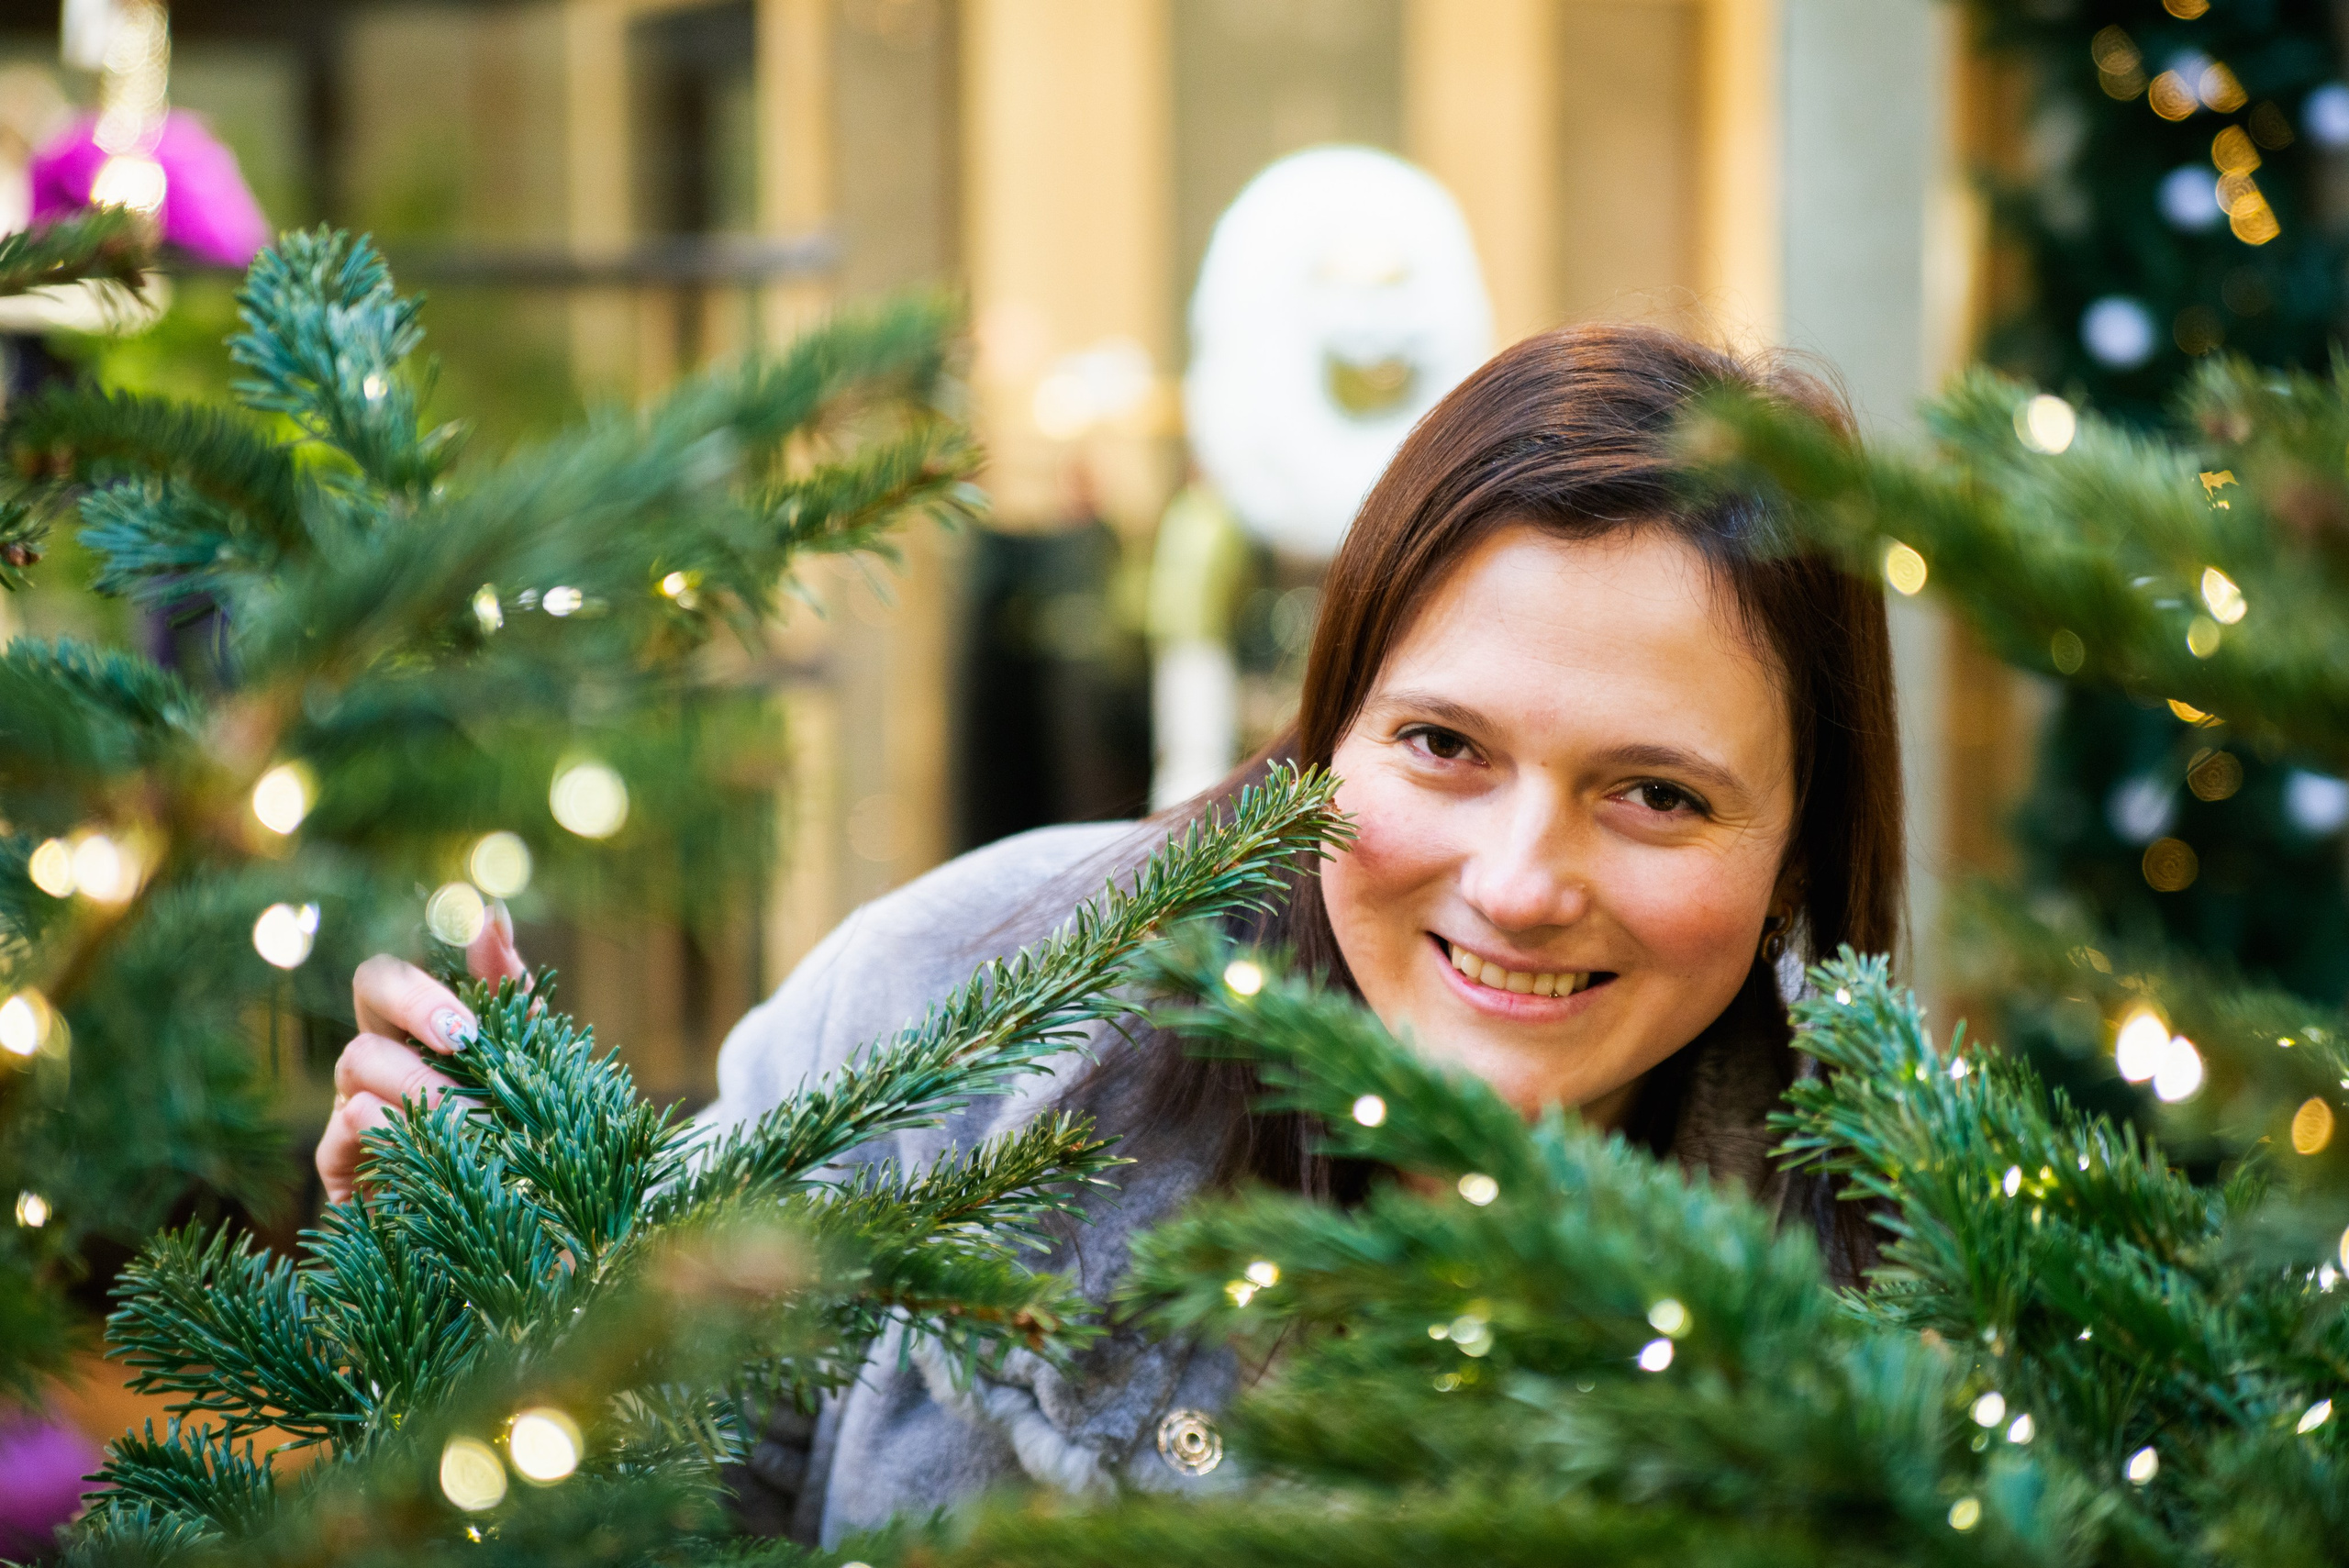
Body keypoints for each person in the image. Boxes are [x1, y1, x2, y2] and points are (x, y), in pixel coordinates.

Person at [317, 324, 1902, 1546]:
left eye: (1657, 795)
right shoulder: (963, 1002)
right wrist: (495, 1310)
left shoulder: (1917, 1298)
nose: (1521, 879)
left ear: (1795, 850)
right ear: (1328, 732)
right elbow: (632, 1504)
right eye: (1444, 746)